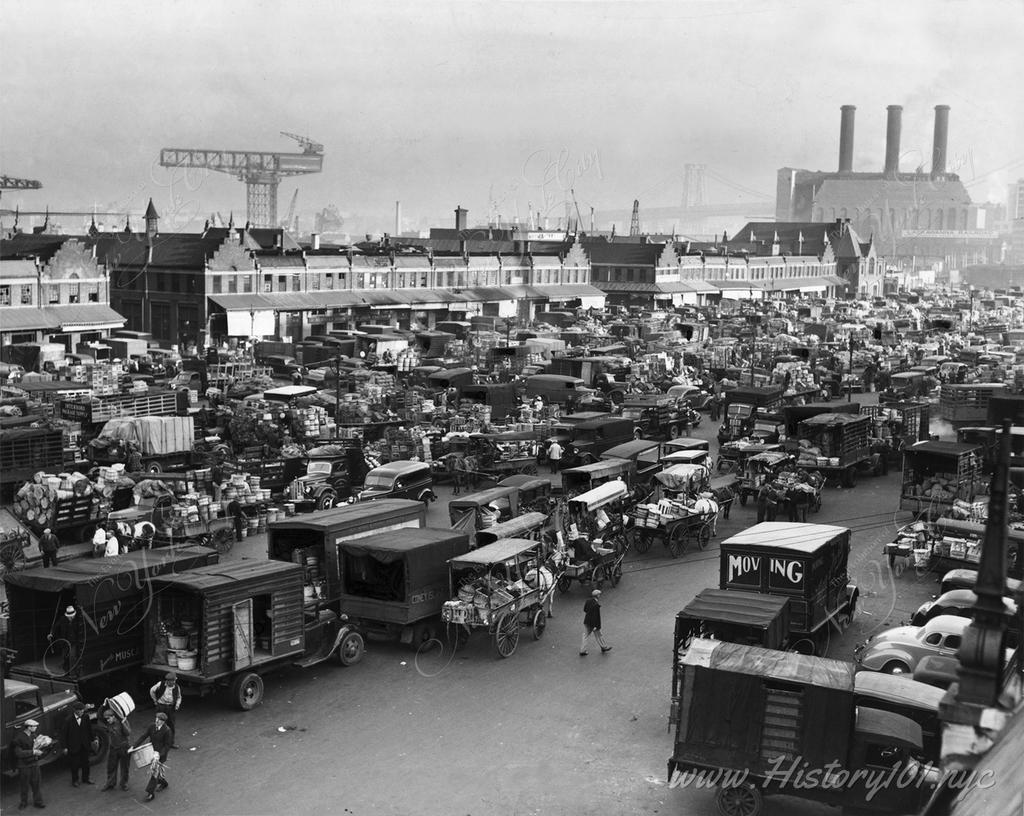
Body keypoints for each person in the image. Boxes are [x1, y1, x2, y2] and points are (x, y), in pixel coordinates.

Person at [133, 711, 173, 802]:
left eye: (159, 720)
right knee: (156, 772)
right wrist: (134, 746)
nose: (157, 721)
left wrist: (159, 755)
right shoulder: (152, 726)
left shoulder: (167, 731)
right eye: (156, 718)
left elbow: (167, 746)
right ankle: (163, 783)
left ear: (163, 722)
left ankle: (150, 793)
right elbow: (144, 736)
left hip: (160, 756)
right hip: (151, 752)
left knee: (154, 772)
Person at [61, 702, 95, 787]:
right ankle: (75, 780)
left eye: (82, 710)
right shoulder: (68, 720)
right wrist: (64, 747)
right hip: (74, 746)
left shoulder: (86, 717)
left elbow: (89, 729)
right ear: (75, 711)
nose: (82, 711)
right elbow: (63, 735)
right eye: (80, 710)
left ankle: (86, 778)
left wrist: (93, 739)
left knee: (86, 763)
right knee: (74, 764)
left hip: (84, 744)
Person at [14, 718, 46, 809]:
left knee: (37, 784)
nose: (36, 728)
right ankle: (23, 802)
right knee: (24, 786)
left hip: (34, 764)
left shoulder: (33, 736)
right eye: (34, 726)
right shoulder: (18, 739)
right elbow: (18, 753)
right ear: (29, 727)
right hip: (24, 766)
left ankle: (38, 801)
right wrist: (33, 752)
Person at [101, 707, 131, 792]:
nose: (107, 720)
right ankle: (110, 783)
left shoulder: (122, 722)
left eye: (108, 718)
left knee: (124, 767)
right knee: (111, 767)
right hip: (113, 748)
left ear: (113, 716)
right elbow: (99, 716)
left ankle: (124, 783)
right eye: (106, 719)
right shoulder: (108, 724)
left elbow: (128, 732)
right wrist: (103, 706)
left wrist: (123, 722)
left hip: (124, 748)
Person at [48, 605, 84, 674]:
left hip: (74, 642)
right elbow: (56, 627)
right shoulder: (62, 619)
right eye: (69, 617)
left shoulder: (78, 619)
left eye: (72, 616)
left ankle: (73, 673)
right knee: (65, 656)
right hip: (65, 642)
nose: (71, 618)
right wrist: (51, 634)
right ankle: (66, 671)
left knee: (72, 656)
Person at [149, 672, 181, 748]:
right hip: (161, 707)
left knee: (171, 726)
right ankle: (153, 743)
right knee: (158, 724)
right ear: (167, 681)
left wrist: (177, 705)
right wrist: (155, 700)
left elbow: (179, 697)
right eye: (171, 681)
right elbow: (152, 691)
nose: (173, 682)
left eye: (174, 681)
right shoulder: (161, 684)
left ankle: (170, 743)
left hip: (170, 708)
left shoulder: (177, 687)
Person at [579, 589, 611, 656]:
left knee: (585, 636)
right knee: (599, 635)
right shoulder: (596, 605)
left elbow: (585, 610)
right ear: (597, 596)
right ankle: (604, 647)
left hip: (586, 621)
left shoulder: (588, 601)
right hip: (593, 624)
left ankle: (583, 650)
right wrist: (596, 626)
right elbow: (596, 617)